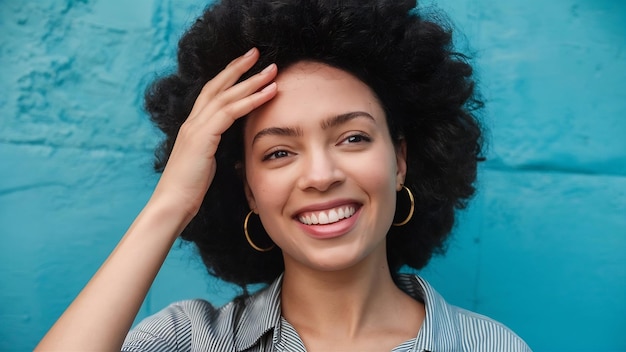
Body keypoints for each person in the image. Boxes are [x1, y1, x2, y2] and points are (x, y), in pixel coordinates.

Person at [36, 0, 532, 351]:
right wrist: (170, 204)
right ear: (247, 188)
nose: (320, 174)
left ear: (400, 158)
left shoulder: (491, 346)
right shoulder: (190, 341)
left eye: (353, 138)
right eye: (277, 153)